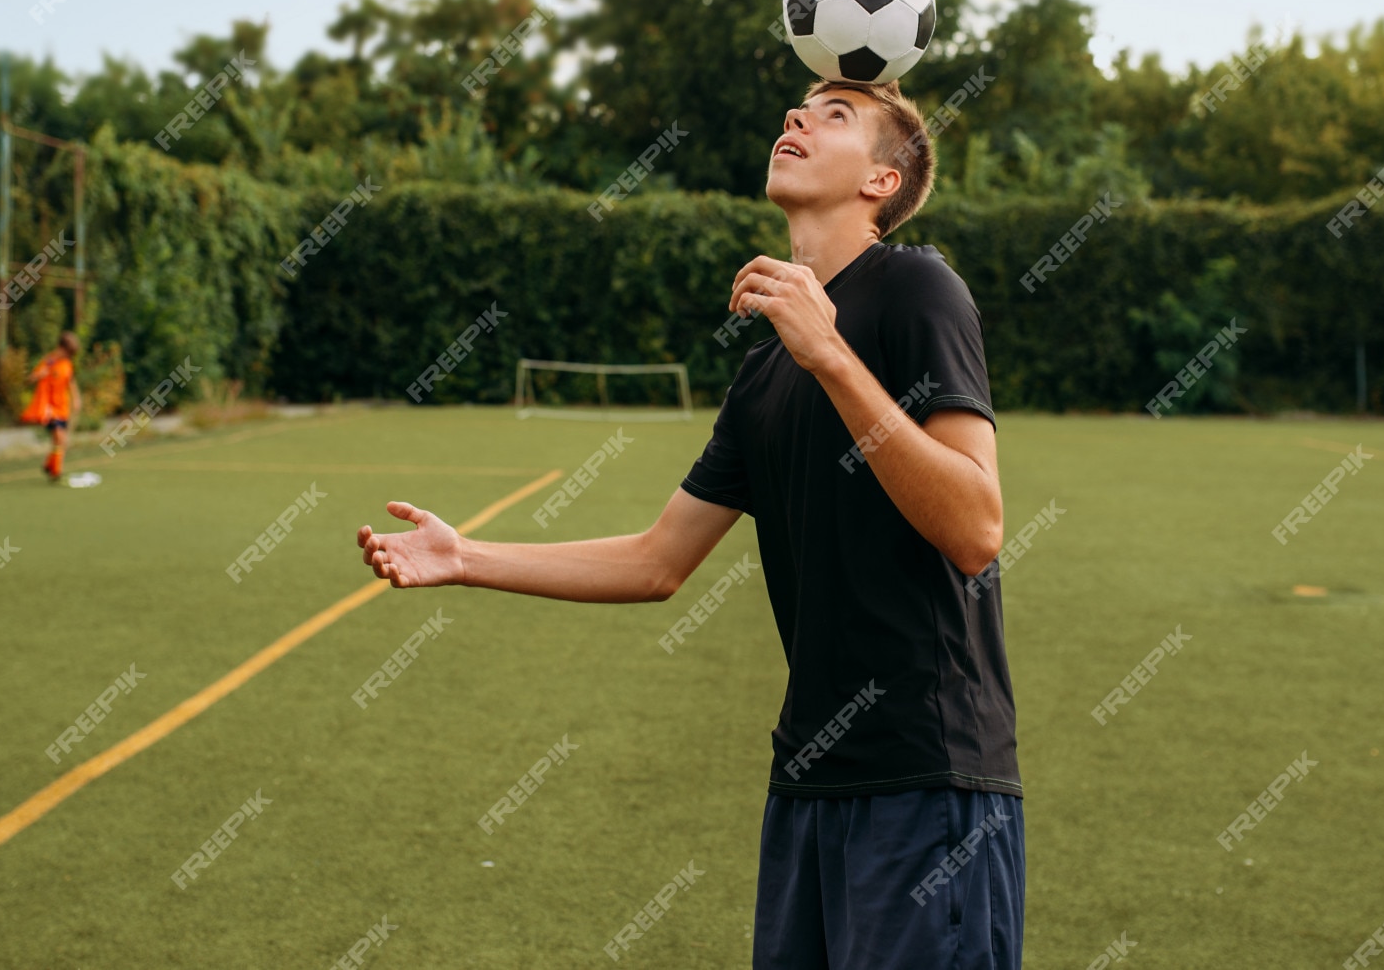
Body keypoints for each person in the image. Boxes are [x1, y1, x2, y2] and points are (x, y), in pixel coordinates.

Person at [358, 80, 1022, 968]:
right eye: (798, 106)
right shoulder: (764, 367)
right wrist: (464, 554)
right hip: (807, 782)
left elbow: (977, 524)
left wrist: (832, 355)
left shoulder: (917, 288)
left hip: (930, 779)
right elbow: (657, 558)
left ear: (881, 183)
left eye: (835, 116)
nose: (796, 118)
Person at [22, 332, 82, 482]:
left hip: (63, 407)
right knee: (59, 438)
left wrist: (76, 399)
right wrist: (39, 375)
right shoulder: (49, 362)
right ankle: (56, 471)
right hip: (49, 408)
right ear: (60, 347)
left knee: (61, 441)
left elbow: (71, 382)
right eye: (66, 352)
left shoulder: (67, 364)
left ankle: (49, 464)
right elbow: (30, 378)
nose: (67, 356)